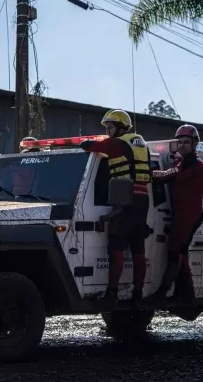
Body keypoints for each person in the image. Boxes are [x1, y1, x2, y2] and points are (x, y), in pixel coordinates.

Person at [79, 109, 151, 310]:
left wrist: (96, 140)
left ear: (120, 127)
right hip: (143, 199)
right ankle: (138, 295)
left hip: (125, 200)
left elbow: (88, 146)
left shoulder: (116, 143)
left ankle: (112, 294)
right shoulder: (141, 144)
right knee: (138, 248)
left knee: (116, 247)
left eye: (109, 127)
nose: (107, 131)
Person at [149, 124, 203, 308]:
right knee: (181, 255)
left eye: (186, 142)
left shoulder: (196, 165)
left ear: (194, 144)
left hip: (189, 216)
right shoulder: (182, 162)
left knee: (175, 254)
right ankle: (188, 298)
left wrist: (146, 174)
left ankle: (161, 294)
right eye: (180, 142)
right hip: (181, 214)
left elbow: (166, 176)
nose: (182, 145)